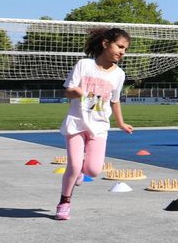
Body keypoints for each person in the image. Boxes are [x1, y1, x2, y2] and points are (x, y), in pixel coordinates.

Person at [55, 27, 135, 220]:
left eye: (125, 49)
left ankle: (81, 173)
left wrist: (121, 123)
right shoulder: (84, 65)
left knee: (93, 170)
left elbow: (115, 100)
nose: (122, 52)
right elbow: (67, 91)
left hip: (99, 126)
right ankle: (64, 202)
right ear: (105, 44)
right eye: (120, 46)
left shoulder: (119, 74)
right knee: (73, 165)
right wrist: (80, 92)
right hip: (77, 123)